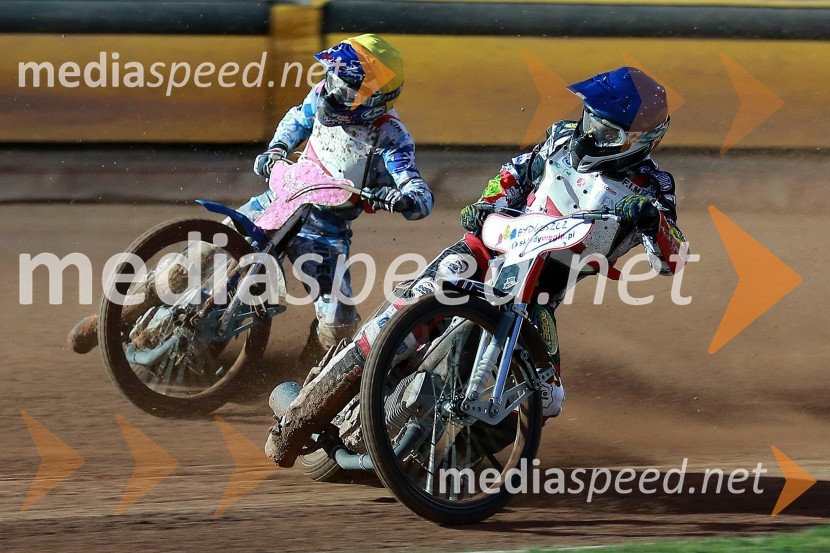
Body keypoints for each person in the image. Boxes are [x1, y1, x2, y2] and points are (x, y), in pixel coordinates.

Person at [265, 66, 688, 468]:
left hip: (539, 293)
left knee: (547, 398)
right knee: (405, 309)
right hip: (488, 249)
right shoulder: (560, 138)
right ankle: (301, 416)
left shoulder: (652, 186)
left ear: (639, 140)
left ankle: (448, 466)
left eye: (607, 132)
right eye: (591, 120)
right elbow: (515, 172)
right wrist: (488, 203)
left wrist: (653, 222)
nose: (590, 135)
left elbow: (673, 259)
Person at [67, 34, 433, 356]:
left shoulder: (392, 136)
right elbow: (297, 120)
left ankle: (312, 376)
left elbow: (419, 193)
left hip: (325, 231)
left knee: (338, 322)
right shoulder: (322, 94)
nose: (333, 90)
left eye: (346, 88)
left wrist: (403, 199)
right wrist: (277, 149)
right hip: (279, 201)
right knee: (199, 255)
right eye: (333, 77)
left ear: (375, 98)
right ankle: (115, 317)